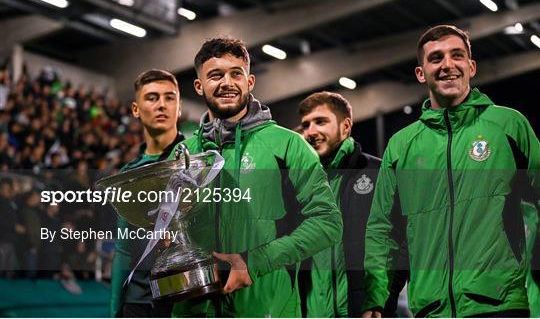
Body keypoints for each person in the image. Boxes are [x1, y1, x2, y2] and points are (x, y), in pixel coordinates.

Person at [362, 24, 540, 318]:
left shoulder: (509, 126)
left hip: (499, 304)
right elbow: (383, 231)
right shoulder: (401, 146)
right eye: (436, 58)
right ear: (421, 73)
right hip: (430, 309)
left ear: (471, 67)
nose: (447, 65)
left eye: (457, 56)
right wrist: (376, 298)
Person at [172, 37, 343, 317]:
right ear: (199, 86)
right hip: (195, 308)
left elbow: (328, 223)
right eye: (215, 75)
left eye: (235, 74)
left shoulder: (288, 145)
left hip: (267, 307)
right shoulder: (183, 154)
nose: (227, 83)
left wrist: (253, 263)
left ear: (250, 82)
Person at [297, 91, 407, 317]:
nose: (311, 132)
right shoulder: (297, 185)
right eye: (306, 125)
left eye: (320, 122)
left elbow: (400, 243)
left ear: (345, 127)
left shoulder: (378, 175)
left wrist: (381, 301)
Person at [110, 69, 184, 318]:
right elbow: (123, 248)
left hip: (188, 295)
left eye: (169, 97)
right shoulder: (128, 174)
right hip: (138, 301)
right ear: (135, 109)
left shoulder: (199, 159)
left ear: (179, 107)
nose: (162, 105)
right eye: (152, 98)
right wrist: (114, 309)